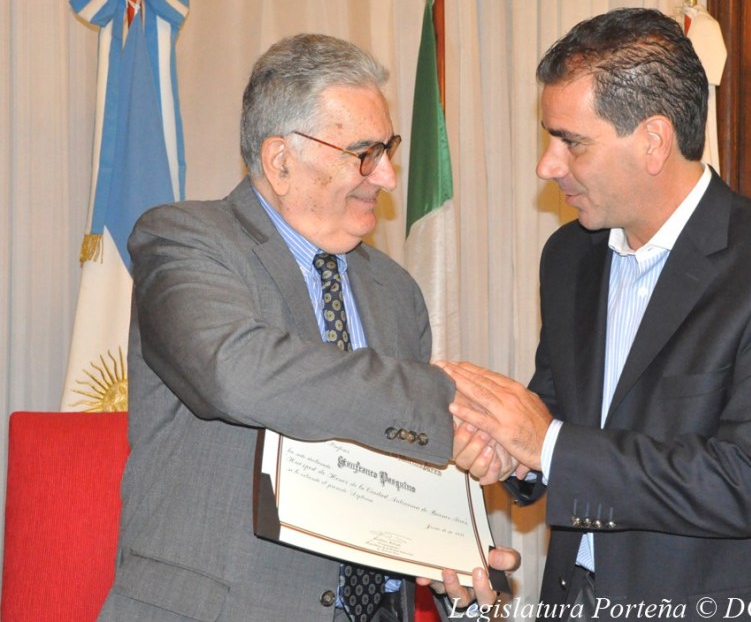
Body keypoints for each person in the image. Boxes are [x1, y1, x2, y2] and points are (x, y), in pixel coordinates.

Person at [444, 8, 751, 621]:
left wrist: (546, 444)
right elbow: (559, 414)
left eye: (571, 142)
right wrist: (511, 454)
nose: (547, 166)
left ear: (654, 141)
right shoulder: (568, 256)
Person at [99, 33, 515, 622]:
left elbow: (401, 454)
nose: (389, 175)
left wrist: (457, 564)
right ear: (281, 161)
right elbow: (234, 373)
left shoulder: (397, 293)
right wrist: (448, 400)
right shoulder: (185, 240)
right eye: (365, 152)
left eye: (389, 148)